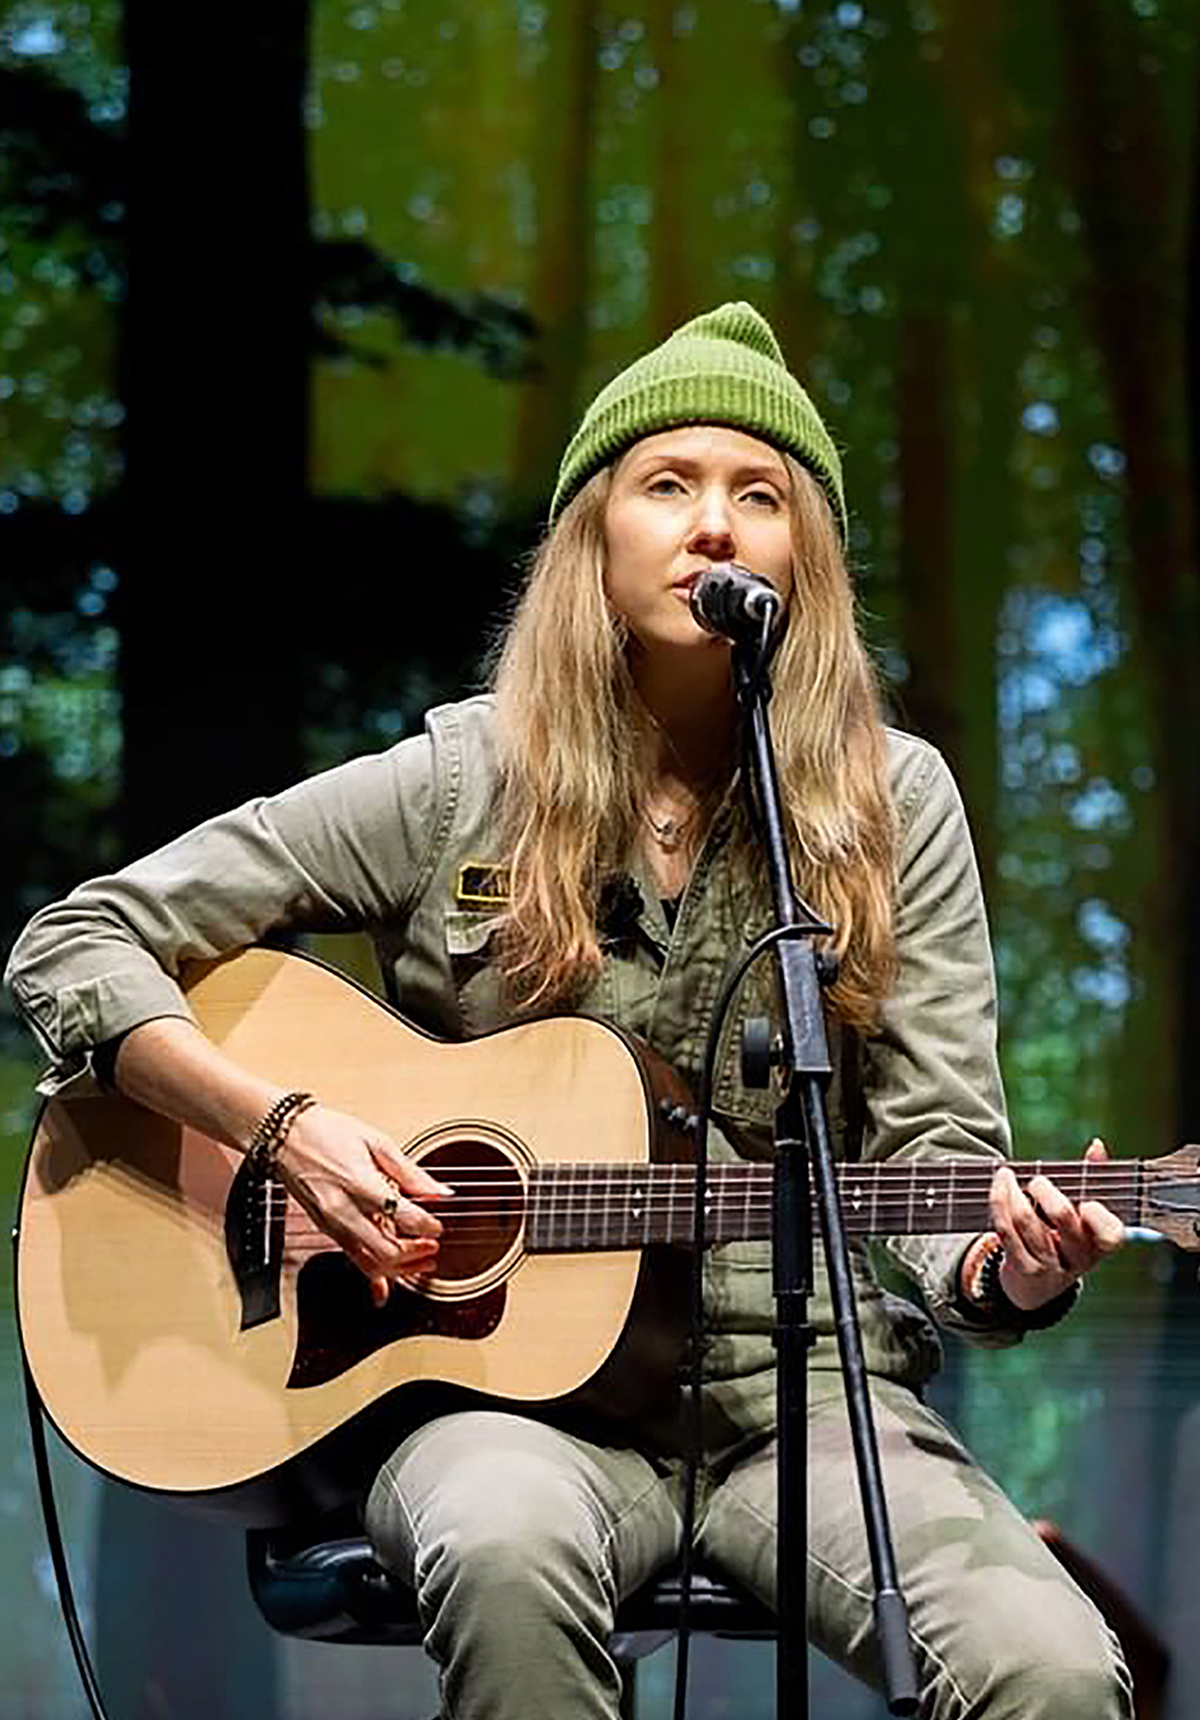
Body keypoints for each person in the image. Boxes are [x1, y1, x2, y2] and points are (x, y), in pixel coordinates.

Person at [6, 303, 1131, 1718]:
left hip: (806, 1408)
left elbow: (935, 1166)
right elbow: (78, 941)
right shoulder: (459, 783)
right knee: (500, 1544)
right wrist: (278, 1127)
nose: (712, 526)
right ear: (594, 540)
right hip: (502, 1410)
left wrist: (1003, 1271)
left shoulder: (895, 808)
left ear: (806, 563)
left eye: (758, 495)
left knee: (1055, 1670)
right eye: (668, 486)